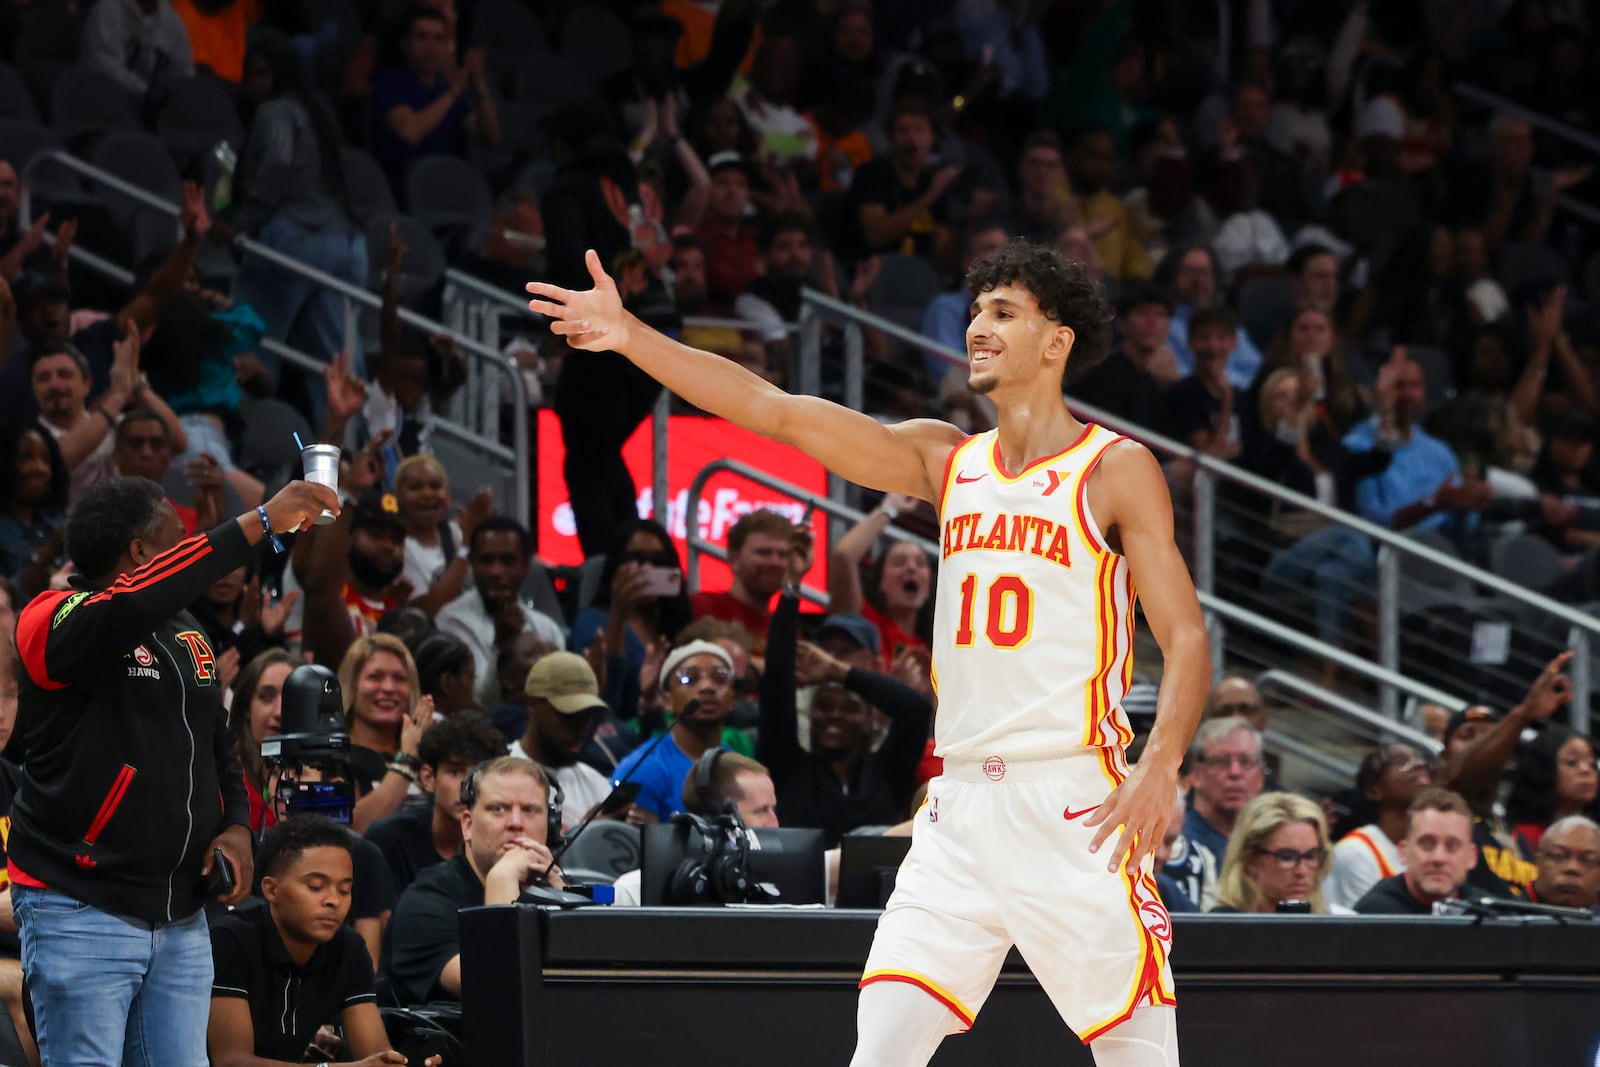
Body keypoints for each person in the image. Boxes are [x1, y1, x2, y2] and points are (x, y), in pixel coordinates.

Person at [529, 237, 1209, 1064]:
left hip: (1072, 799)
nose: (978, 329)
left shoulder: (1113, 469)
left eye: (1004, 313)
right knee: (883, 1047)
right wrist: (632, 336)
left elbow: (1184, 636)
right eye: (975, 313)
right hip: (958, 807)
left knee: (1138, 1050)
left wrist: (1162, 760)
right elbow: (771, 407)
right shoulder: (943, 458)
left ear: (1056, 341)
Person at [9, 474, 337, 1065]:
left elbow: (217, 741)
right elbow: (131, 603)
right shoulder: (51, 616)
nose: (193, 550)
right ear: (140, 552)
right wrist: (258, 522)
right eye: (178, 539)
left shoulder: (187, 632)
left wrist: (236, 824)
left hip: (182, 915)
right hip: (82, 902)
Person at [206, 815, 441, 1067]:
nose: (334, 901)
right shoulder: (230, 940)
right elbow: (230, 1062)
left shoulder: (348, 947)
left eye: (344, 890)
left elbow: (373, 1055)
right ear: (271, 889)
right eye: (316, 886)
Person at [219, 31, 367, 427]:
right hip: (346, 245)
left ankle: (236, 434)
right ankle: (355, 461)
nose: (255, 85)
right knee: (338, 366)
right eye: (250, 75)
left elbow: (277, 167)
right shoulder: (317, 111)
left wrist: (240, 224)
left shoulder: (277, 112)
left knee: (247, 342)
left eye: (263, 74)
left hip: (293, 241)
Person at [385, 757, 564, 1005]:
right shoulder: (424, 904)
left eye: (530, 810)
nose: (516, 823)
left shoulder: (560, 889)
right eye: (498, 809)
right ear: (467, 825)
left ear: (552, 825)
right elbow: (498, 988)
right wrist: (503, 879)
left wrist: (566, 899)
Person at [762, 592, 933, 844]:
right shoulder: (788, 767)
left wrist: (835, 670)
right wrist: (789, 592)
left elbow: (916, 709)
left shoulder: (887, 773)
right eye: (824, 706)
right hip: (805, 882)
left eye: (849, 708)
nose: (835, 715)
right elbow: (776, 681)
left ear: (868, 722)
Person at [364, 713, 506, 895]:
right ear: (428, 778)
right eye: (455, 772)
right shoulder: (389, 840)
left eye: (480, 774)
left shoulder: (507, 840)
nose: (469, 786)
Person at [369, 6, 500, 194]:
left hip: (452, 186)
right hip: (407, 190)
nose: (431, 47)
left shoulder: (444, 90)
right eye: (422, 37)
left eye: (439, 39)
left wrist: (480, 88)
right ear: (405, 44)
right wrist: (453, 93)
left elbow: (490, 139)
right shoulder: (390, 83)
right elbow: (410, 132)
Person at [436, 518, 565, 709]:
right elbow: (477, 704)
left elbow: (562, 698)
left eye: (507, 561)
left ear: (526, 566)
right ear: (471, 563)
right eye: (486, 561)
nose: (496, 571)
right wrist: (500, 647)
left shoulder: (547, 628)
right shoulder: (449, 621)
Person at [609, 639, 739, 823]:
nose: (707, 687)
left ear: (732, 698)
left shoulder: (739, 766)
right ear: (667, 700)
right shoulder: (641, 768)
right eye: (689, 678)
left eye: (719, 678)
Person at [336, 633, 431, 833]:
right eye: (375, 677)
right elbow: (354, 830)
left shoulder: (428, 755)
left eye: (399, 679)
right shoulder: (331, 757)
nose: (388, 688)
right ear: (351, 685)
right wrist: (406, 761)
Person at [510, 651, 615, 834]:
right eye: (569, 716)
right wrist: (581, 838)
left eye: (587, 716)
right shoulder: (497, 777)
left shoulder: (598, 786)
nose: (580, 728)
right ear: (533, 704)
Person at [1324, 742, 1435, 911]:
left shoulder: (1435, 849)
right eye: (1402, 762)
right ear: (1373, 791)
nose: (1420, 764)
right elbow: (1368, 930)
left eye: (1420, 759)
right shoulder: (1355, 851)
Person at [827, 495, 933, 662]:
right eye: (899, 563)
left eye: (920, 563)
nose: (912, 568)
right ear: (881, 582)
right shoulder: (864, 623)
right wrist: (890, 507)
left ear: (929, 586)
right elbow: (844, 556)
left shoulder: (938, 648)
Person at [1175, 718, 1266, 910]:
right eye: (1221, 762)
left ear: (1260, 776)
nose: (1235, 772)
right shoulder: (1177, 844)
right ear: (1196, 774)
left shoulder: (1270, 846)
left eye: (1246, 762)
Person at [688, 508, 804, 653]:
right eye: (764, 552)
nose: (775, 562)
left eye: (783, 554)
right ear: (734, 558)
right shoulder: (701, 609)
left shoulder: (784, 626)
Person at [1354, 788, 1482, 915]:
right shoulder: (1373, 915)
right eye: (1427, 845)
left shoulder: (1491, 916)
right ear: (1403, 852)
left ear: (1472, 857)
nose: (1439, 858)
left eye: (1451, 847)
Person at [1210, 792, 1334, 914]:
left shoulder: (1324, 928)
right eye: (1287, 857)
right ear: (1250, 860)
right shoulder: (1223, 927)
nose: (1302, 871)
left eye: (1310, 856)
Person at [229, 648, 296, 832]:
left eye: (293, 698)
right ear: (246, 709)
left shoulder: (322, 768)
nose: (280, 712)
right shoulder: (226, 769)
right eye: (266, 697)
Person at [1507, 725, 1598, 854]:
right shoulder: (1519, 840)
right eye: (1572, 762)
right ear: (1542, 770)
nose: (1586, 770)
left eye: (1592, 764)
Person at [0, 421, 69, 588]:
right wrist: (48, 554)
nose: (40, 468)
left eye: (46, 460)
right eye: (26, 458)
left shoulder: (56, 520)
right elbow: (10, 596)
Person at [81, 0, 194, 98]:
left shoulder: (173, 22)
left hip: (157, 115)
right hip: (103, 109)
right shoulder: (107, 11)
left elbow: (184, 74)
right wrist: (145, 92)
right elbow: (104, 71)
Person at [1525, 815, 1600, 910]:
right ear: (1537, 862)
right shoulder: (1503, 914)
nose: (1572, 868)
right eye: (1558, 856)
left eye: (1587, 860)